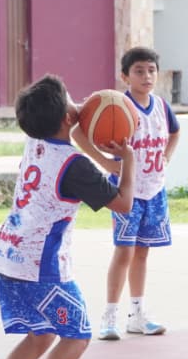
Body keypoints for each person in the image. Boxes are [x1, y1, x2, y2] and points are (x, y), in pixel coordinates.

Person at [0, 74, 136, 359]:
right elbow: (122, 204)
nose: (78, 105)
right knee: (77, 335)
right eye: (72, 101)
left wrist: (100, 152)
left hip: (8, 256)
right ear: (62, 118)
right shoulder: (73, 166)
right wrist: (128, 161)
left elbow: (70, 137)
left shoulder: (36, 142)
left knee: (41, 335)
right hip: (41, 268)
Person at [73, 46, 181, 340]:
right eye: (139, 71)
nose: (146, 76)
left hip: (155, 190)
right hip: (126, 190)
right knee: (124, 252)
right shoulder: (115, 105)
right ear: (124, 76)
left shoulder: (161, 105)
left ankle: (137, 314)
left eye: (151, 70)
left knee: (142, 253)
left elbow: (175, 132)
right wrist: (106, 162)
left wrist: (167, 156)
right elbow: (78, 133)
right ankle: (109, 317)